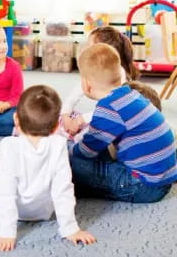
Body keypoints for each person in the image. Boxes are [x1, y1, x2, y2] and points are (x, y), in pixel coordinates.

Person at [0, 85, 96, 252]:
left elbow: (6, 192)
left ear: (16, 120)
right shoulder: (59, 145)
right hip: (42, 211)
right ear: (55, 127)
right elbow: (63, 189)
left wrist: (6, 232)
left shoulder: (9, 145)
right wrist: (71, 229)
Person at [69, 43, 177, 202]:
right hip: (162, 179)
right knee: (98, 153)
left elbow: (87, 151)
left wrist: (69, 148)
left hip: (143, 185)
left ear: (86, 84)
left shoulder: (108, 108)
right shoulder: (131, 95)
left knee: (70, 164)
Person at [61, 26, 139, 141]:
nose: (85, 50)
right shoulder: (94, 69)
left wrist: (80, 120)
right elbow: (74, 95)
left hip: (117, 120)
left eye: (90, 47)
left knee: (86, 137)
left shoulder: (119, 74)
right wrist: (65, 115)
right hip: (104, 114)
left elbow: (111, 112)